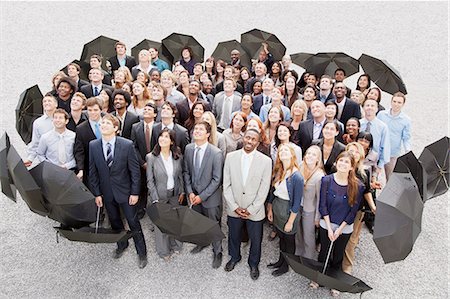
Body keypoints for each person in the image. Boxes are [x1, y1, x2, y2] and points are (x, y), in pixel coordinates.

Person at [89, 114, 147, 269]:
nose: (104, 125)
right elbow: (92, 172)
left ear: (116, 128)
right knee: (115, 222)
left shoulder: (127, 145)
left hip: (126, 193)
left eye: (107, 123)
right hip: (107, 193)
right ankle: (122, 244)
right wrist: (97, 193)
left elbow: (135, 171)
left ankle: (142, 253)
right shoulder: (93, 145)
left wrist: (135, 193)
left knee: (133, 223)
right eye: (102, 123)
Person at [311, 152, 364, 296]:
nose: (343, 164)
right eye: (341, 161)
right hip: (326, 223)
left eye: (347, 162)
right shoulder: (326, 180)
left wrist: (339, 230)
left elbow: (353, 212)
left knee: (338, 255)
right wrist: (329, 228)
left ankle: (335, 283)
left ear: (352, 167)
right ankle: (319, 278)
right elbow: (322, 206)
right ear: (336, 162)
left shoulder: (358, 186)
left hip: (344, 227)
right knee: (323, 253)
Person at [223, 129, 272, 280]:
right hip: (234, 207)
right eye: (248, 138)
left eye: (253, 139)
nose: (250, 141)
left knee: (256, 239)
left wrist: (251, 209)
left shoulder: (266, 161)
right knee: (233, 235)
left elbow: (264, 189)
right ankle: (234, 257)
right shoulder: (230, 157)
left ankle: (253, 263)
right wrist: (234, 206)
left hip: (255, 210)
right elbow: (227, 185)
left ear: (258, 142)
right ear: (243, 138)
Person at [183, 121, 224, 269]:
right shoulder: (188, 149)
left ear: (208, 134)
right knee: (198, 222)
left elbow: (217, 179)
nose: (197, 131)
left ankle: (218, 251)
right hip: (193, 196)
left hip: (210, 197)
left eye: (201, 129)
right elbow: (186, 172)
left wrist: (202, 196)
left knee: (213, 224)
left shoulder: (216, 153)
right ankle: (202, 242)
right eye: (196, 129)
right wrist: (190, 192)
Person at [146, 128, 184, 260]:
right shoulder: (151, 157)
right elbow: (150, 180)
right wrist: (155, 199)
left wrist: (182, 191)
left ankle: (176, 245)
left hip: (174, 194)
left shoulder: (177, 156)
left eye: (166, 137)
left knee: (174, 221)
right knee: (161, 224)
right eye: (161, 136)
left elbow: (180, 175)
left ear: (172, 141)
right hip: (159, 196)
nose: (162, 139)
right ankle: (163, 251)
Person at [267, 144, 304, 276]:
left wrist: (290, 222)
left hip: (289, 211)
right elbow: (273, 192)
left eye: (285, 150)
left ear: (292, 154)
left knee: (289, 240)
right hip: (278, 208)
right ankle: (280, 261)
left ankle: (286, 266)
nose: (282, 152)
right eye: (280, 151)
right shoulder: (279, 171)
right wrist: (270, 209)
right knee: (281, 238)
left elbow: (297, 203)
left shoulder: (297, 177)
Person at [342, 142, 376, 274]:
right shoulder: (341, 166)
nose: (353, 154)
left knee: (351, 239)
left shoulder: (364, 172)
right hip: (340, 208)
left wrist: (373, 206)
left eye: (356, 152)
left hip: (356, 211)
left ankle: (347, 266)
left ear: (361, 154)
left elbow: (367, 191)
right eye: (350, 151)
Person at [295, 145, 325, 259]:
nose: (310, 156)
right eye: (308, 153)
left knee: (308, 236)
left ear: (318, 159)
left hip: (310, 209)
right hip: (298, 206)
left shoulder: (319, 175)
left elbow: (320, 199)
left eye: (314, 155)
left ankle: (308, 259)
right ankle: (298, 255)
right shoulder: (300, 166)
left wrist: (317, 217)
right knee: (298, 233)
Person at [131, 102, 157, 219]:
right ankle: (141, 208)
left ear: (155, 114)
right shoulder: (135, 127)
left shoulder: (159, 127)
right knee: (142, 186)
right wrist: (142, 162)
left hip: (156, 162)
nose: (146, 111)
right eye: (145, 109)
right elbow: (133, 146)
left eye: (149, 110)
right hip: (141, 163)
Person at [377, 92, 412, 180]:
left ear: (403, 104)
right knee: (374, 176)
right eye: (394, 101)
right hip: (378, 150)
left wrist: (408, 150)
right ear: (391, 101)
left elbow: (406, 137)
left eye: (399, 102)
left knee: (391, 177)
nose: (396, 104)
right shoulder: (381, 114)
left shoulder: (406, 120)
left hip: (392, 153)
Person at [74, 97, 103, 190]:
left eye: (95, 110)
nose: (92, 113)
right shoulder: (81, 128)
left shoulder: (109, 123)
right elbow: (79, 151)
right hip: (91, 168)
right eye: (90, 110)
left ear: (101, 110)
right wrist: (81, 169)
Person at [24, 95, 58, 167]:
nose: (47, 103)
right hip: (45, 160)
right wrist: (30, 159)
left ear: (56, 104)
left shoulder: (62, 118)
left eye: (49, 101)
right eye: (44, 101)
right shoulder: (38, 122)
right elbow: (36, 142)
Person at [359, 98, 391, 173]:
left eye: (372, 106)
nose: (370, 107)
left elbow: (385, 146)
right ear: (363, 108)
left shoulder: (382, 127)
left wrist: (380, 166)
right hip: (359, 159)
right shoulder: (359, 124)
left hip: (374, 162)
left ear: (377, 109)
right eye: (367, 105)